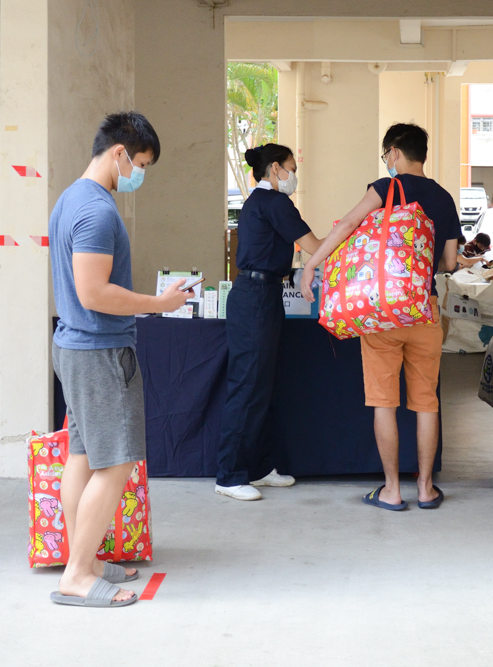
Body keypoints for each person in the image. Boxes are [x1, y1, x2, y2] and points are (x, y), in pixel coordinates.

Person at [49, 111, 189, 607]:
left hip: (75, 345)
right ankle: (76, 577)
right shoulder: (98, 212)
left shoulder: (70, 199)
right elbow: (94, 292)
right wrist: (159, 304)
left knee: (84, 457)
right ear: (119, 153)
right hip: (100, 351)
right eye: (141, 164)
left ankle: (81, 561)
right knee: (117, 461)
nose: (140, 175)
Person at [301, 123, 460, 510]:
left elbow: (347, 224)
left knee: (384, 403)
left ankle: (391, 490)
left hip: (383, 309)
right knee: (427, 403)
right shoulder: (443, 198)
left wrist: (312, 264)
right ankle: (426, 488)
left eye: (386, 154)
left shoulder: (387, 187)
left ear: (394, 153)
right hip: (424, 309)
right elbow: (449, 262)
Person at [215, 143, 322, 501]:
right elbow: (315, 246)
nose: (294, 176)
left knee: (261, 387)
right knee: (248, 386)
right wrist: (354, 232)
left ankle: (257, 467)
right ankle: (229, 475)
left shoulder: (260, 202)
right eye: (292, 168)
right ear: (275, 168)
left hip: (262, 294)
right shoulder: (275, 202)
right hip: (256, 297)